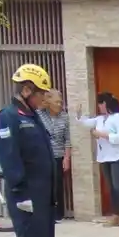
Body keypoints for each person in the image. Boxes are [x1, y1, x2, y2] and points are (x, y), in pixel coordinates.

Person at [0, 64, 60, 237]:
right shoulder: (9, 117)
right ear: (25, 90)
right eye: (40, 93)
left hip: (43, 197)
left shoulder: (30, 116)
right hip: (28, 198)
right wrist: (21, 194)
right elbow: (10, 159)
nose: (43, 98)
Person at [78, 93, 119, 228]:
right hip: (104, 157)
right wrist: (79, 114)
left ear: (107, 103)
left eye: (102, 103)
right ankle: (116, 216)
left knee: (118, 187)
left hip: (117, 157)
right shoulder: (99, 119)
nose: (100, 106)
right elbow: (84, 123)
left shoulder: (118, 118)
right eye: (99, 103)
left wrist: (102, 135)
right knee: (111, 187)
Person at [38, 88, 72, 222]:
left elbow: (68, 139)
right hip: (43, 156)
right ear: (48, 102)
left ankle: (58, 214)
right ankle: (45, 213)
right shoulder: (39, 115)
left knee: (57, 185)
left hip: (58, 155)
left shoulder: (64, 116)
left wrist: (67, 157)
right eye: (56, 102)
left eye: (60, 102)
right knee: (44, 185)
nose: (59, 105)